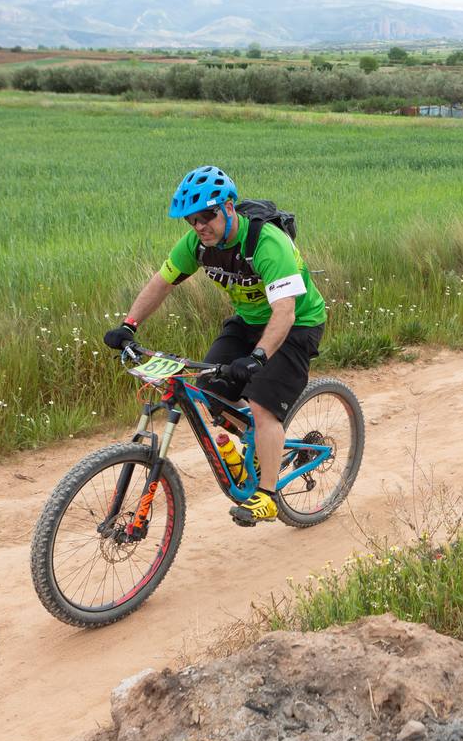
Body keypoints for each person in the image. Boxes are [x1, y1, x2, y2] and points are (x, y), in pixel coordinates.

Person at [103, 165, 328, 526]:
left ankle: (268, 495)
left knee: (262, 405)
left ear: (228, 207)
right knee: (209, 388)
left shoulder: (266, 243)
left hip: (297, 323)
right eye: (191, 220)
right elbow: (161, 283)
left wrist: (258, 358)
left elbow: (284, 312)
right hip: (249, 320)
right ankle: (257, 445)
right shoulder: (198, 245)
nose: (199, 226)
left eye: (206, 215)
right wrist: (128, 325)